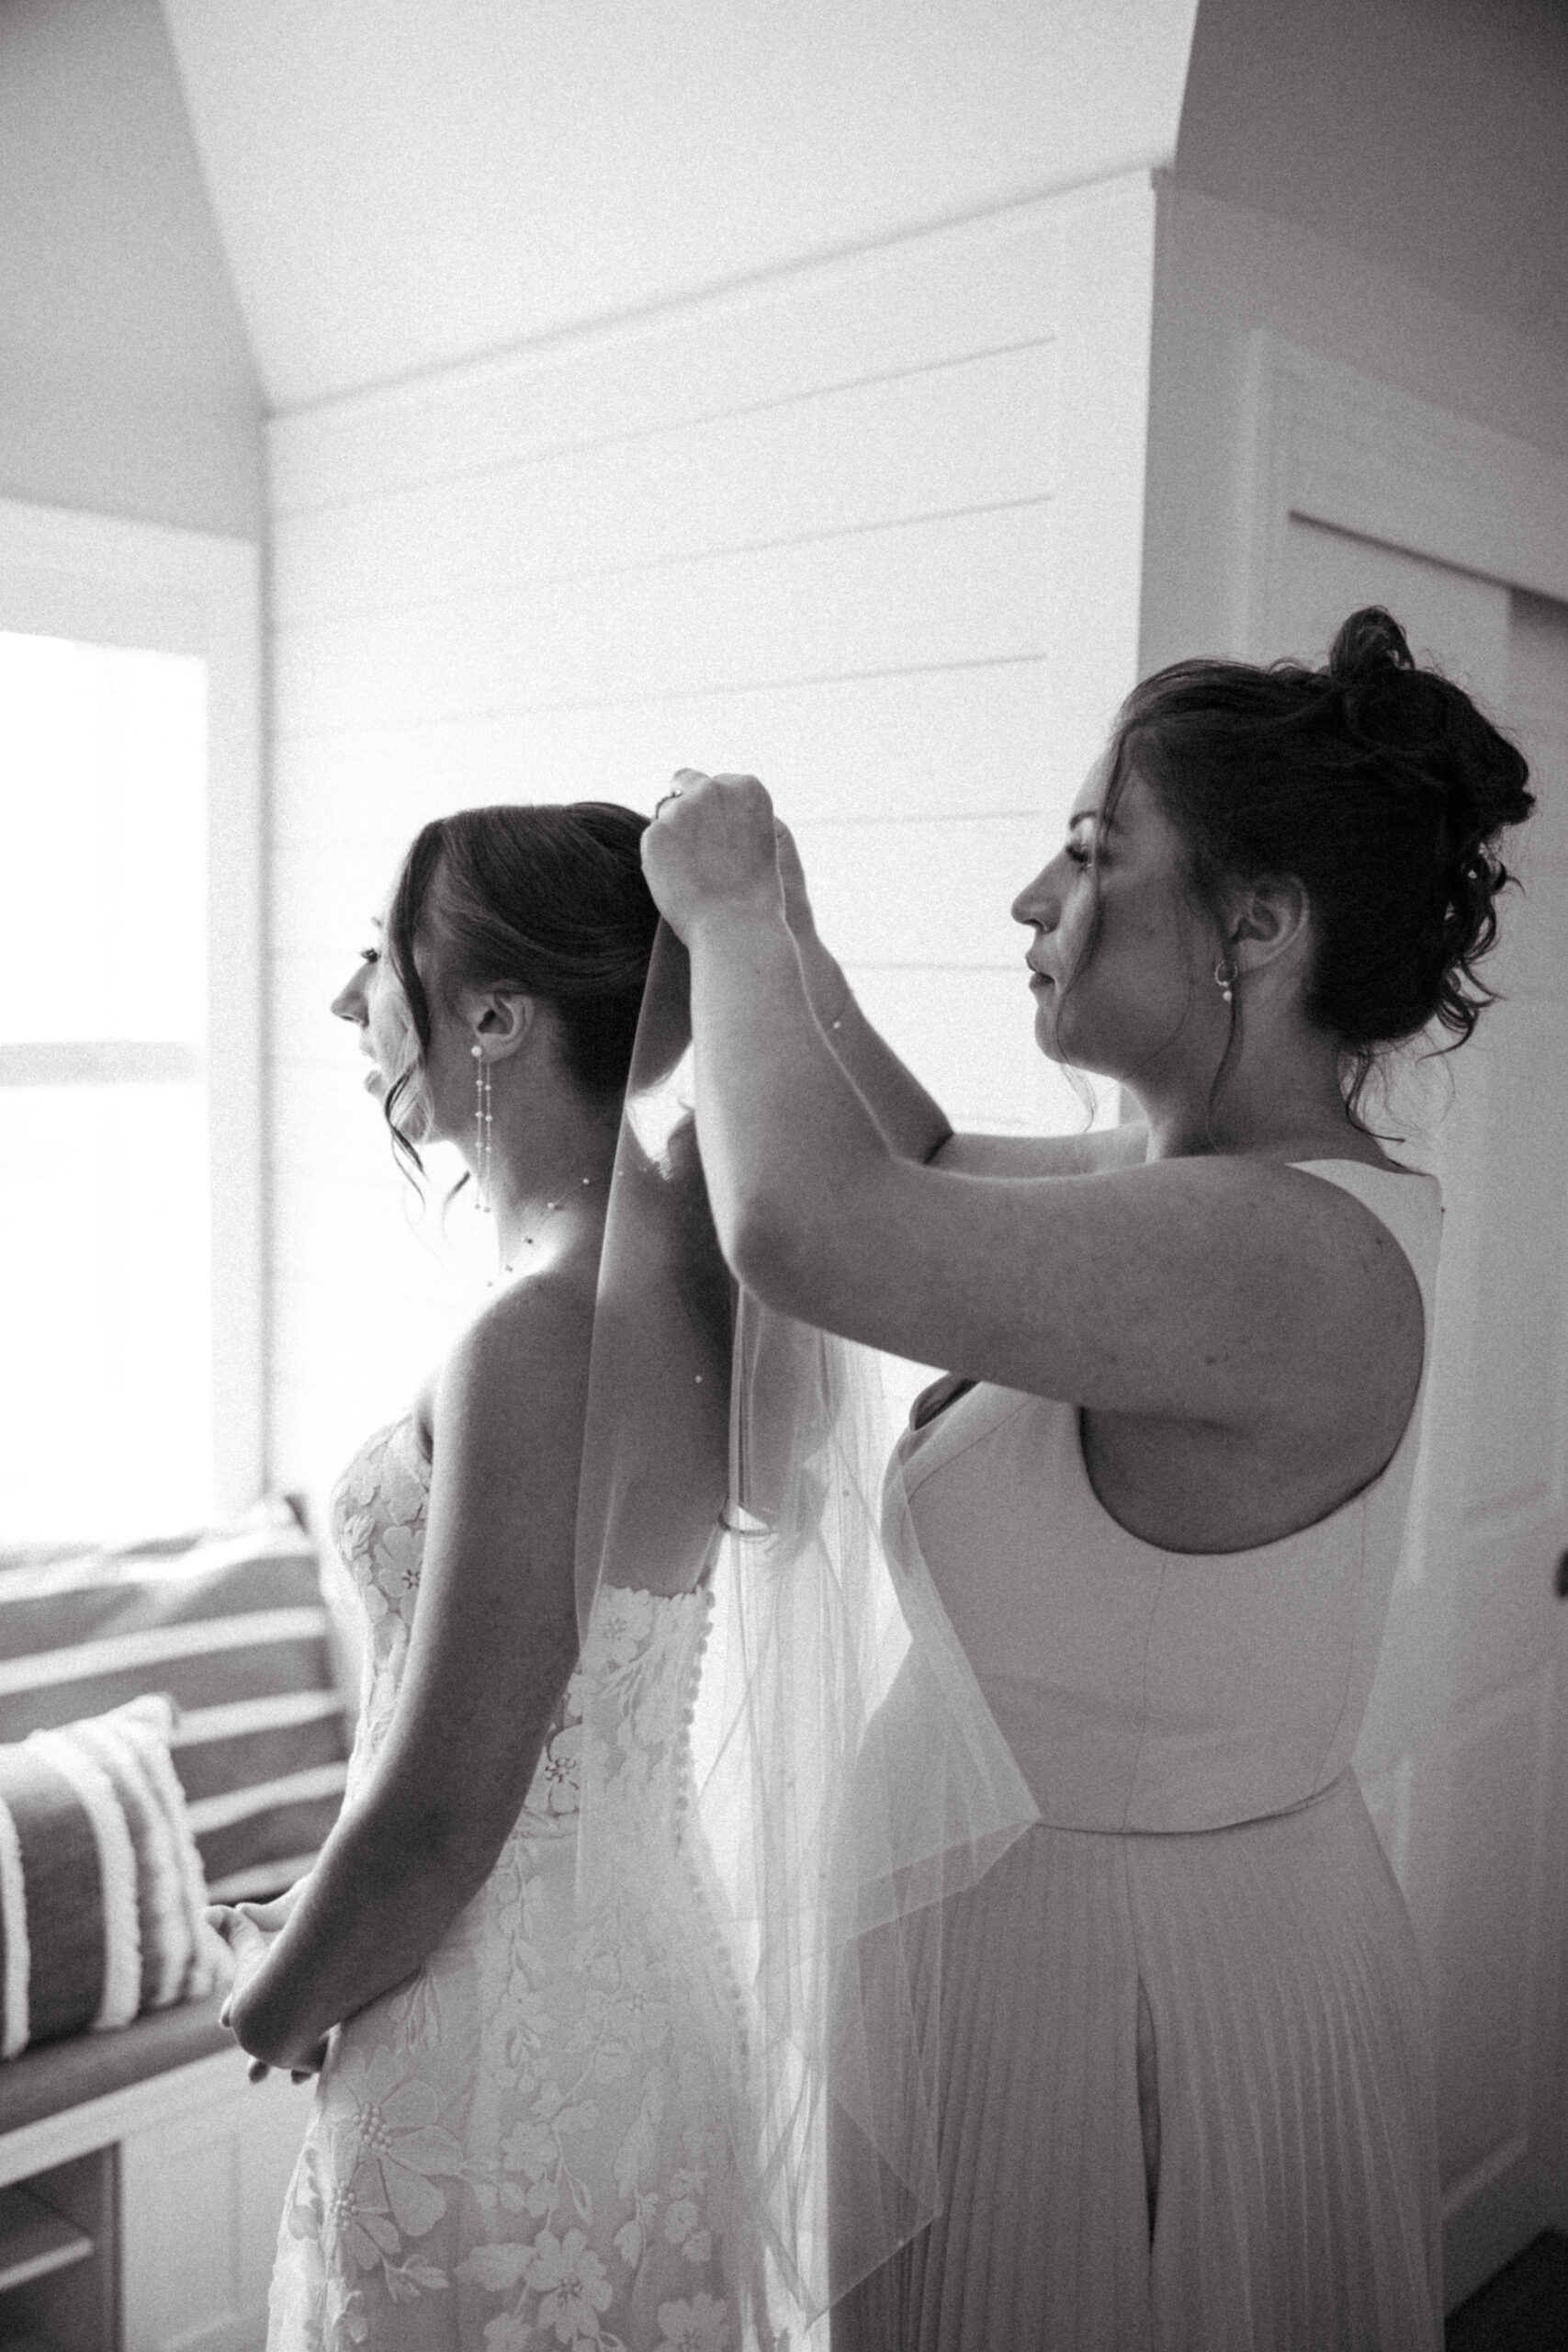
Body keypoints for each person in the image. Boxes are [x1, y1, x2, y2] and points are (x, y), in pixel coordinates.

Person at [640, 608, 1535, 2352]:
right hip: (1053, 1949)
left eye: (1089, 853)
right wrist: (797, 946)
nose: (1033, 903)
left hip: (1125, 1994)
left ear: (1259, 923)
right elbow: (923, 1162)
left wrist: (731, 919)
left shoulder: (1284, 1251)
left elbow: (814, 1224)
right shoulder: (1210, 1186)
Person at [208, 804, 753, 2352]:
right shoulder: (693, 1280)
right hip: (647, 2002)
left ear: (498, 1014)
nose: (347, 1002)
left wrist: (275, 1999)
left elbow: (454, 1806)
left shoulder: (533, 1338)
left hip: (495, 2072)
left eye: (384, 959)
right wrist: (324, 1907)